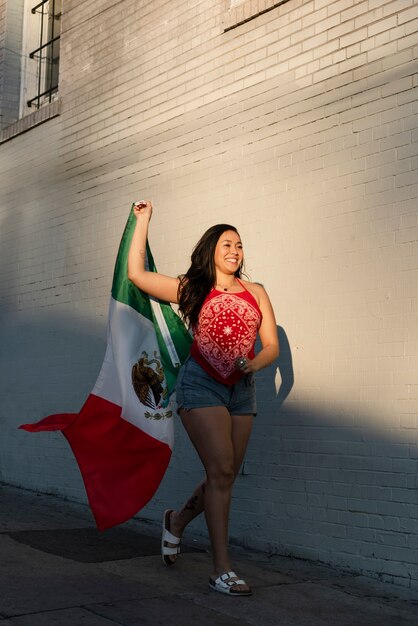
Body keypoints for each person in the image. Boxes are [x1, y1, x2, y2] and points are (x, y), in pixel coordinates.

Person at [127, 200, 279, 596]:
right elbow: (137, 274)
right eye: (227, 244)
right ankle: (221, 570)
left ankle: (176, 521)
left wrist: (255, 365)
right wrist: (143, 221)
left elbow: (272, 347)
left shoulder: (257, 291)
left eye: (240, 245)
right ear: (212, 249)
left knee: (223, 475)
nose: (235, 251)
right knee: (222, 472)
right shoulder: (192, 288)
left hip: (242, 390)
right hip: (202, 385)